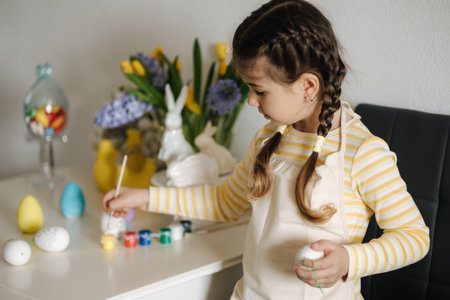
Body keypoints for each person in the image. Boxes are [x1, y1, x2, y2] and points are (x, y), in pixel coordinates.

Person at [102, 0, 430, 299]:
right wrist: (145, 196)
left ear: (307, 86)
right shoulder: (267, 139)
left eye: (259, 90)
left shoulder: (363, 153)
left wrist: (349, 259)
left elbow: (414, 237)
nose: (250, 101)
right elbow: (224, 202)